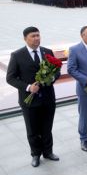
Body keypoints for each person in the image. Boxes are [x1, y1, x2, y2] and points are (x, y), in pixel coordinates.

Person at [6, 27, 60, 167]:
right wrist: (29, 87)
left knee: (47, 127)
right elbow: (10, 78)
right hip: (29, 101)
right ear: (25, 38)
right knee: (32, 129)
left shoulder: (47, 52)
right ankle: (35, 154)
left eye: (38, 35)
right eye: (33, 36)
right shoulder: (17, 55)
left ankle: (48, 152)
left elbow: (57, 71)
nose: (37, 38)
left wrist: (51, 78)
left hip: (48, 98)